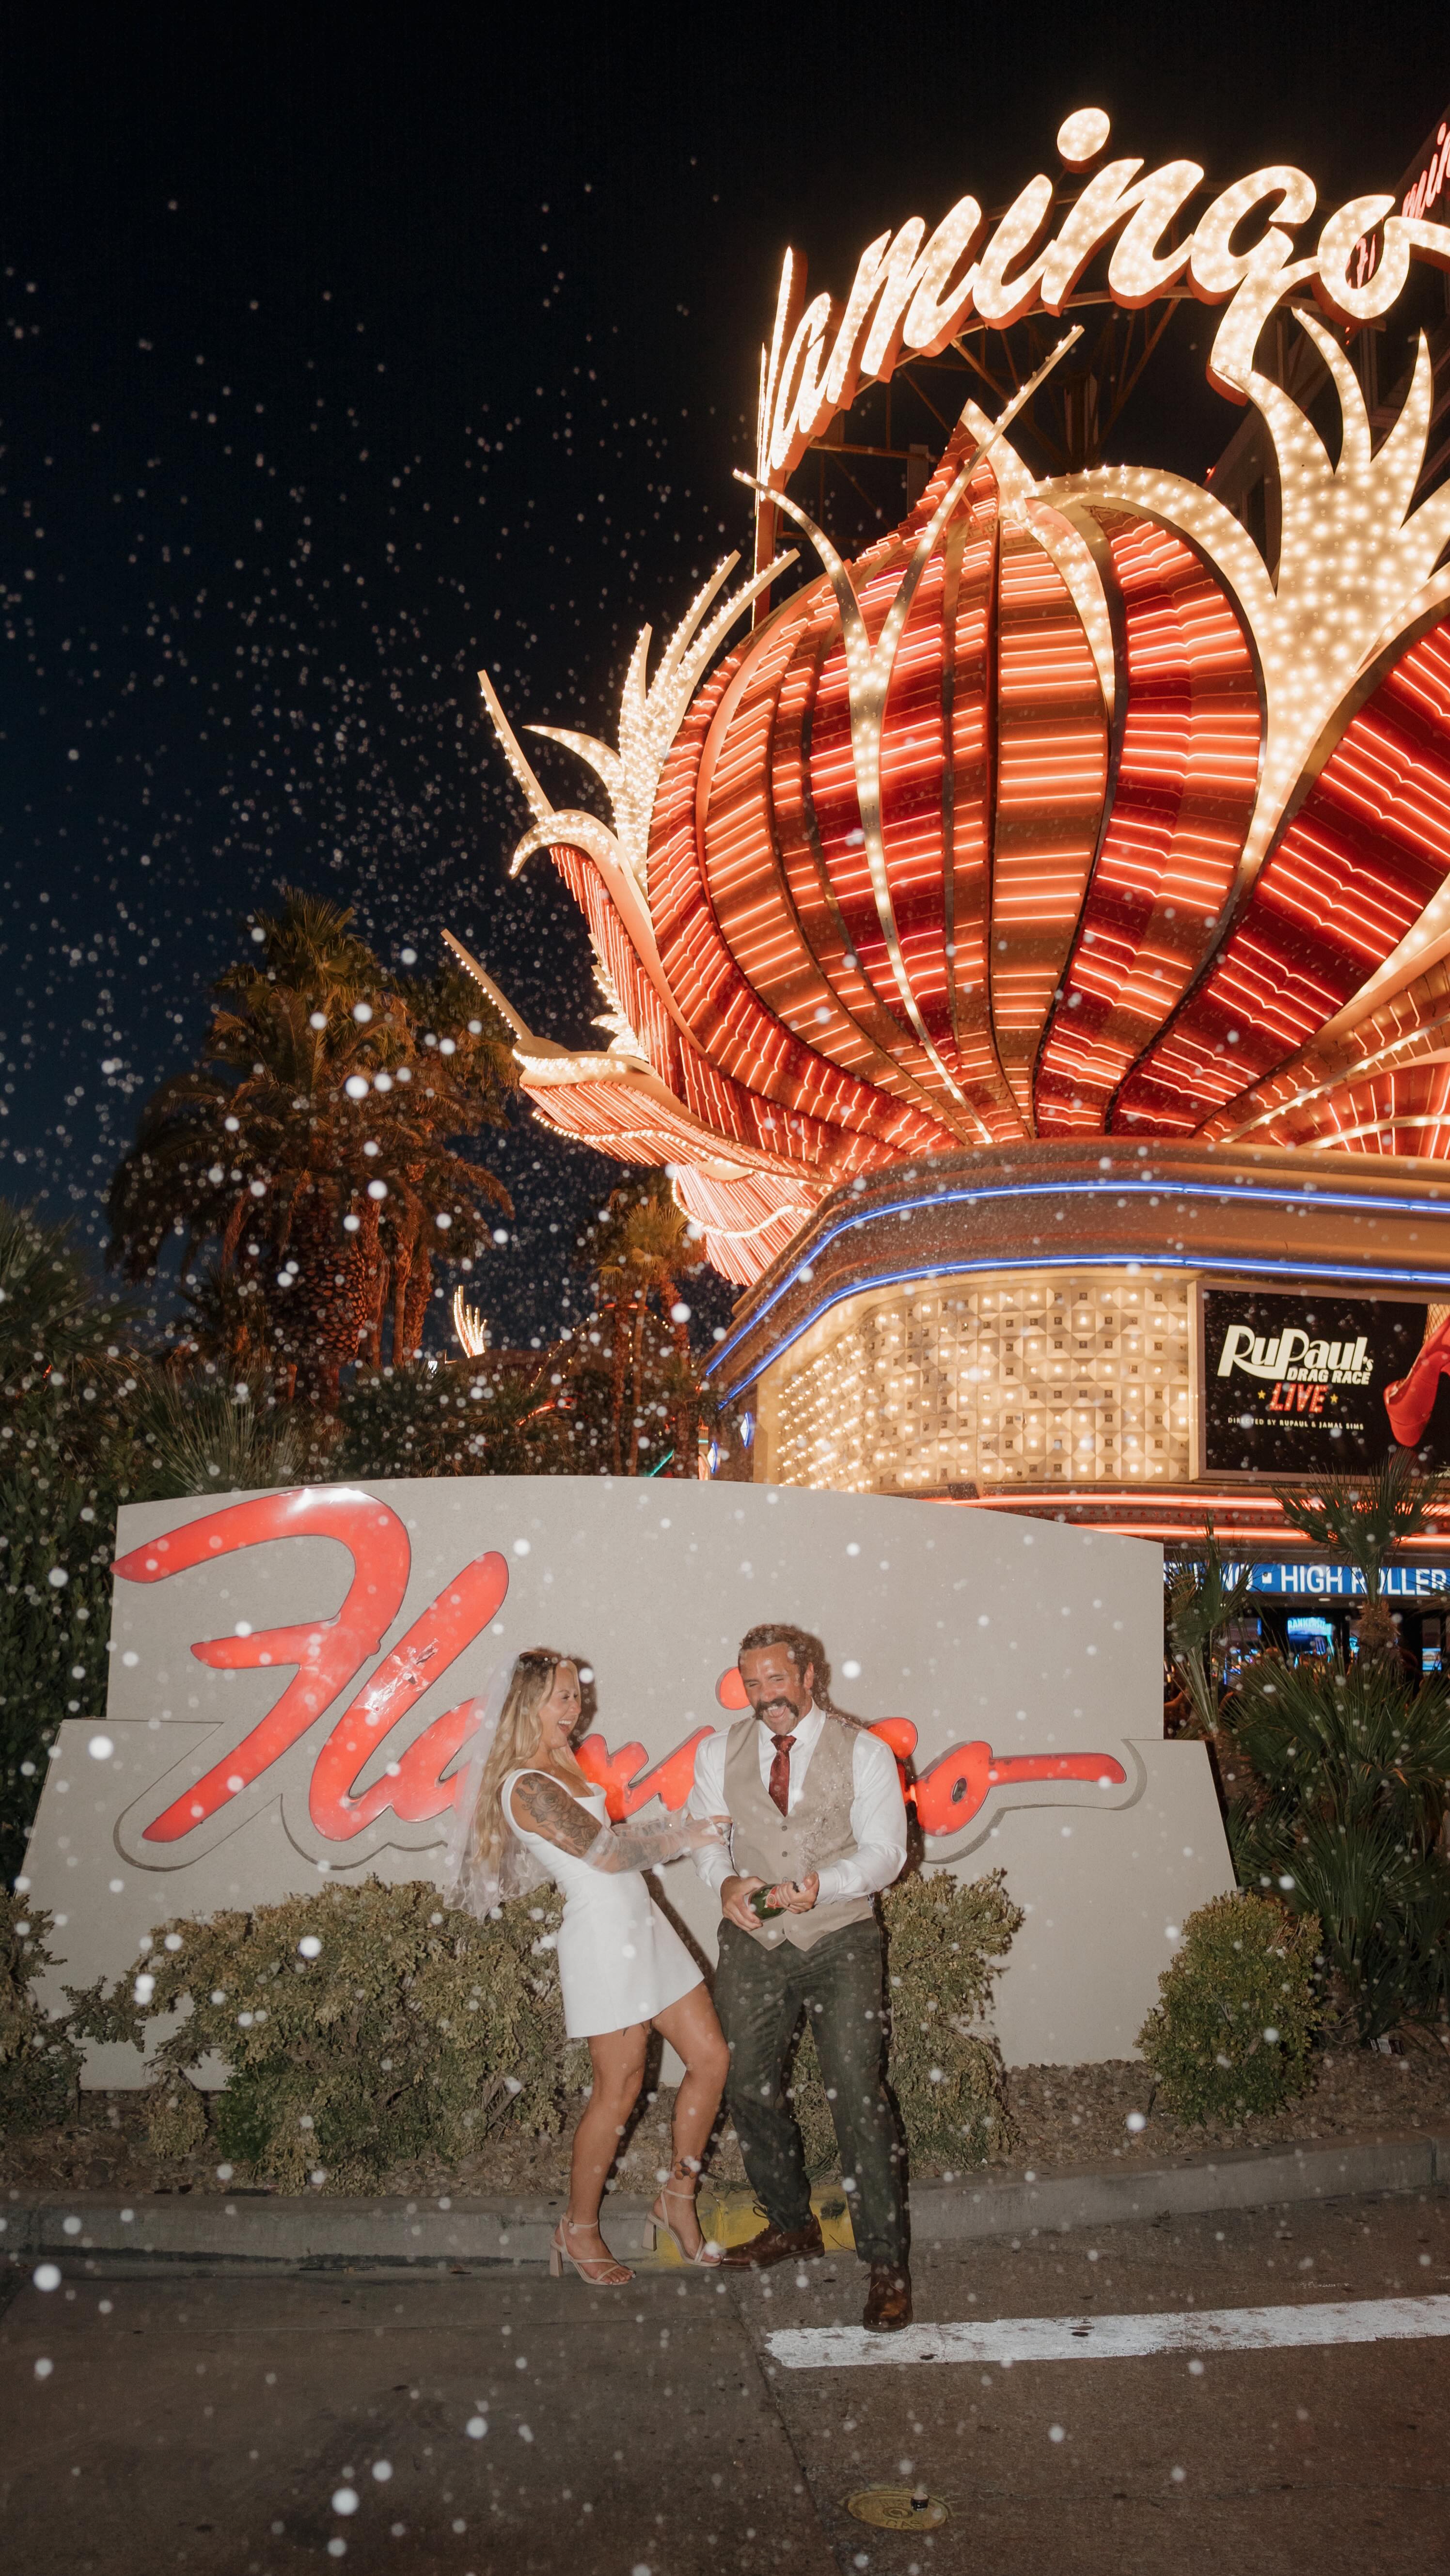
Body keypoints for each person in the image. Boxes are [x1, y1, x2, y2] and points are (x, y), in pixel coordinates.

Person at [448, 1647, 731, 2288]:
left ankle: (677, 2198)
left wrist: (685, 1829)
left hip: (643, 1923)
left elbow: (617, 1846)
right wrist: (689, 1831)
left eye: (578, 1694)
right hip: (604, 1939)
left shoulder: (562, 1761)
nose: (575, 1708)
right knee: (619, 2093)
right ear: (527, 1704)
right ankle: (577, 2228)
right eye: (562, 1697)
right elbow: (605, 1853)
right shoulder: (526, 1783)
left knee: (712, 2060)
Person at [689, 1621, 913, 2334]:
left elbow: (886, 1854)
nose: (765, 1697)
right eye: (753, 1685)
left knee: (855, 2089)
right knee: (745, 2081)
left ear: (809, 1675)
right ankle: (791, 2225)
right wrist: (724, 1883)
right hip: (755, 1940)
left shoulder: (868, 1752)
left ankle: (887, 2264)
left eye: (777, 1681)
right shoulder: (716, 1752)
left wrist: (827, 1883)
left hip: (839, 1936)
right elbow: (707, 1840)